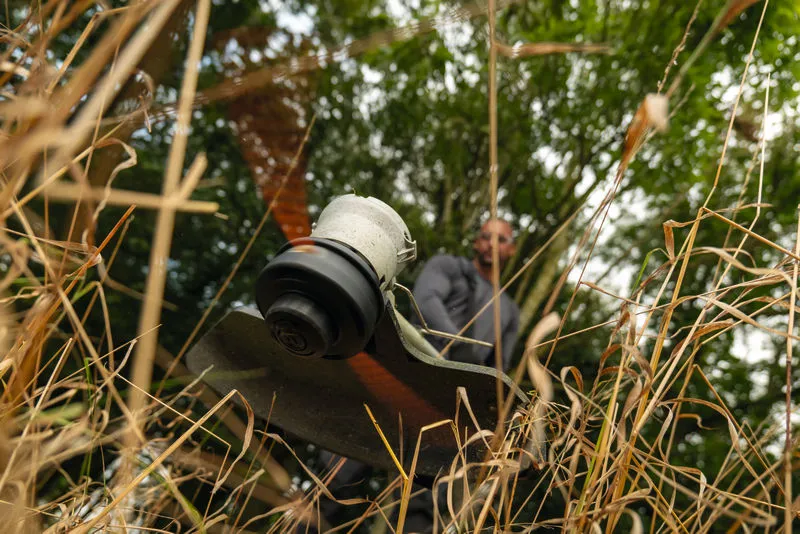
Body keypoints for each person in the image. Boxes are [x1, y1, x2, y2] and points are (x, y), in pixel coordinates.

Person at [412, 217, 521, 372]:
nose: (492, 244)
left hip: (460, 387)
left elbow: (499, 366)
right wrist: (458, 344)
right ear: (476, 242)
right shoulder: (448, 266)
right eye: (486, 237)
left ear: (512, 249)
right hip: (417, 362)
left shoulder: (510, 310)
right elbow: (425, 301)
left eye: (501, 239)